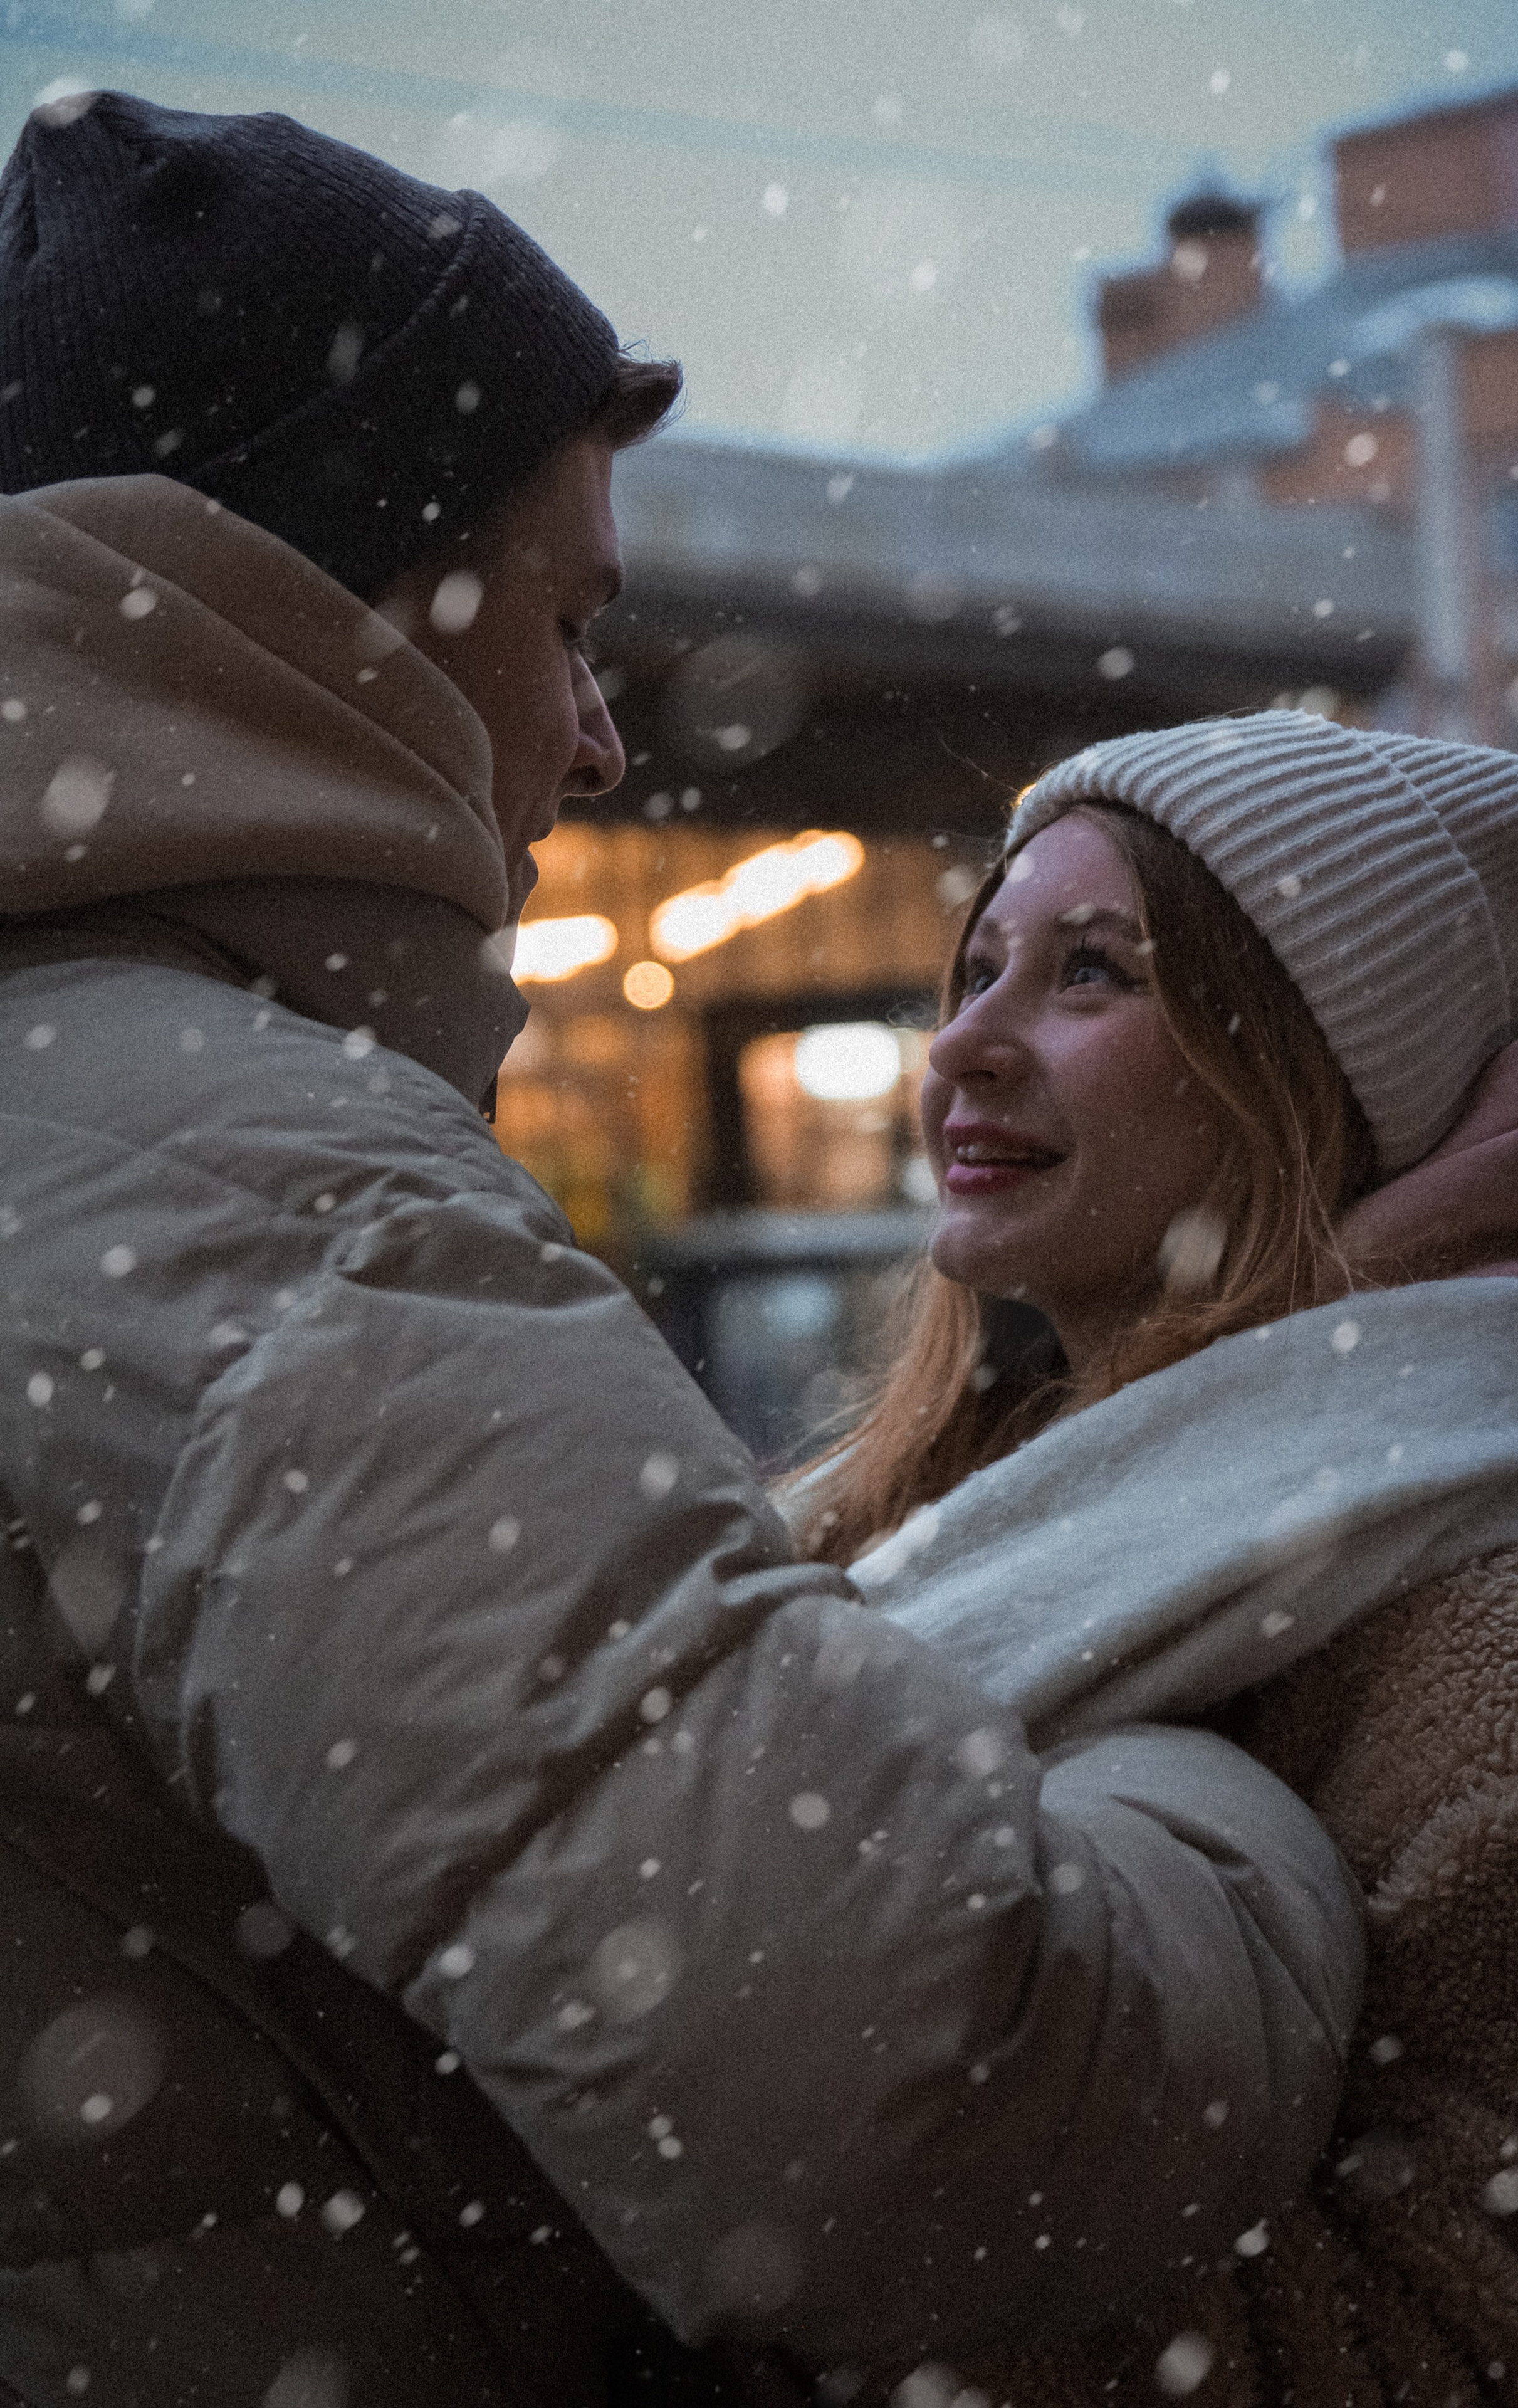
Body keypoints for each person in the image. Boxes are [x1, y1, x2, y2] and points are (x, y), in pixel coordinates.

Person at [0, 95, 1363, 2408]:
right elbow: (912, 2110)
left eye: (1095, 974)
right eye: (568, 620)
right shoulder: (268, 1209)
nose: (608, 736)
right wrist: (1226, 1808)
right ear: (344, 619)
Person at [791, 710, 1518, 2405]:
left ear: (1300, 1076)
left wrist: (793, 2249)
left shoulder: (1505, 1644)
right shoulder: (918, 1513)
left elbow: (1475, 2347)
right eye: (981, 964)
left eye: (1092, 974)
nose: (967, 1050)